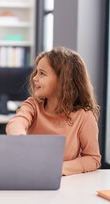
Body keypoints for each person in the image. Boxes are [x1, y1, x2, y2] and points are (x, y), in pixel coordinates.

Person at [6, 47, 101, 176]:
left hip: (64, 184)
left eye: (42, 73)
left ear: (63, 81)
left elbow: (93, 158)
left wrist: (58, 168)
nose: (34, 78)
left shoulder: (84, 116)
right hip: (30, 176)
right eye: (36, 72)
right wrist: (19, 139)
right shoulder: (33, 105)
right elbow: (17, 122)